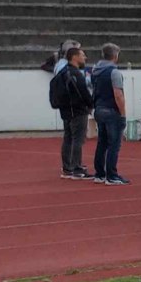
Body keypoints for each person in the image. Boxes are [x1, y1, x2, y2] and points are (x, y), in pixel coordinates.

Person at [50, 45, 93, 179]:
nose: (85, 57)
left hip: (66, 110)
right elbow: (83, 92)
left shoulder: (63, 72)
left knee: (68, 138)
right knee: (77, 139)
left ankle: (68, 167)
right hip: (77, 110)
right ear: (74, 57)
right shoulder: (75, 74)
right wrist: (90, 104)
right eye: (82, 55)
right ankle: (76, 168)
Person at [90, 42, 129, 185]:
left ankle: (99, 174)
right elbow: (118, 94)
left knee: (102, 143)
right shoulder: (114, 72)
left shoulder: (95, 71)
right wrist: (123, 113)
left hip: (99, 108)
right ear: (115, 55)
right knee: (114, 144)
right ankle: (112, 175)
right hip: (111, 110)